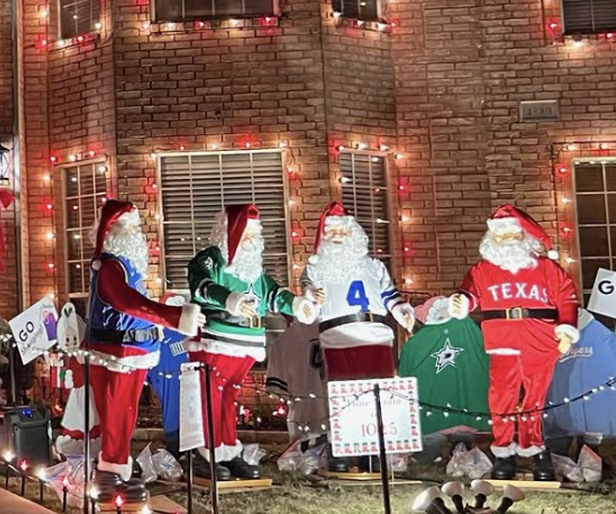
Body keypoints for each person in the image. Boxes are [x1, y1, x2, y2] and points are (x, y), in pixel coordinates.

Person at [425, 205, 579, 481]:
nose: (507, 238)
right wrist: (461, 301)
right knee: (502, 398)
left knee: (536, 398)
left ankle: (536, 449)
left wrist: (566, 329)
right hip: (502, 339)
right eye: (500, 234)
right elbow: (469, 293)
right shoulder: (482, 270)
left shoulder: (547, 269)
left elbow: (567, 297)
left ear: (524, 234)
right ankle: (504, 452)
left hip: (540, 337)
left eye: (512, 232)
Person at [73, 200, 202, 501]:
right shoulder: (110, 267)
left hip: (133, 351)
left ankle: (115, 470)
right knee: (117, 413)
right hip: (117, 351)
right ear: (112, 232)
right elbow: (126, 302)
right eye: (130, 227)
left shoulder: (127, 266)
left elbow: (136, 306)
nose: (137, 233)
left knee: (125, 413)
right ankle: (109, 474)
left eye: (137, 227)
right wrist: (172, 317)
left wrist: (170, 312)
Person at [187, 204, 317, 480]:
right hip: (216, 339)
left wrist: (296, 304)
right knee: (210, 397)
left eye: (254, 236)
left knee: (229, 397)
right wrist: (229, 299)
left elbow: (271, 292)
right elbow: (201, 286)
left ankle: (227, 450)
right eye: (245, 235)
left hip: (245, 343)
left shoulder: (252, 269)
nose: (251, 241)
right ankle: (206, 452)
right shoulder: (211, 259)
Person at [301, 202, 413, 472]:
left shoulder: (373, 265)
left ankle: (375, 451)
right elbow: (307, 292)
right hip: (337, 336)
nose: (338, 237)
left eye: (343, 231)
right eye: (332, 233)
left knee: (377, 395)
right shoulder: (316, 266)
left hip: (374, 335)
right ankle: (342, 449)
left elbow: (389, 294)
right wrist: (310, 297)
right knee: (342, 395)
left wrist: (401, 310)